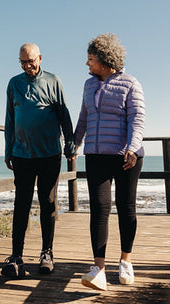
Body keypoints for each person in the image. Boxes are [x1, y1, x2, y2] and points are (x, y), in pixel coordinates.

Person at [74, 33, 145, 291]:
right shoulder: (88, 85)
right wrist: (75, 142)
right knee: (99, 210)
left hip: (127, 157)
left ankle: (125, 260)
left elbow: (137, 120)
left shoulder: (130, 83)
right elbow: (84, 117)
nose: (87, 64)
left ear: (105, 61)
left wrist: (131, 148)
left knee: (126, 209)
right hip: (96, 156)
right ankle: (99, 269)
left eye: (91, 59)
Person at [1, 42, 76, 278]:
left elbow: (64, 115)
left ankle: (47, 253)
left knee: (48, 202)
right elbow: (10, 120)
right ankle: (16, 257)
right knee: (21, 204)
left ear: (40, 58)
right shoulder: (14, 83)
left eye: (31, 61)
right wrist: (8, 149)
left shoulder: (53, 81)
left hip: (49, 154)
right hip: (22, 154)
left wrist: (70, 143)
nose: (27, 66)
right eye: (23, 62)